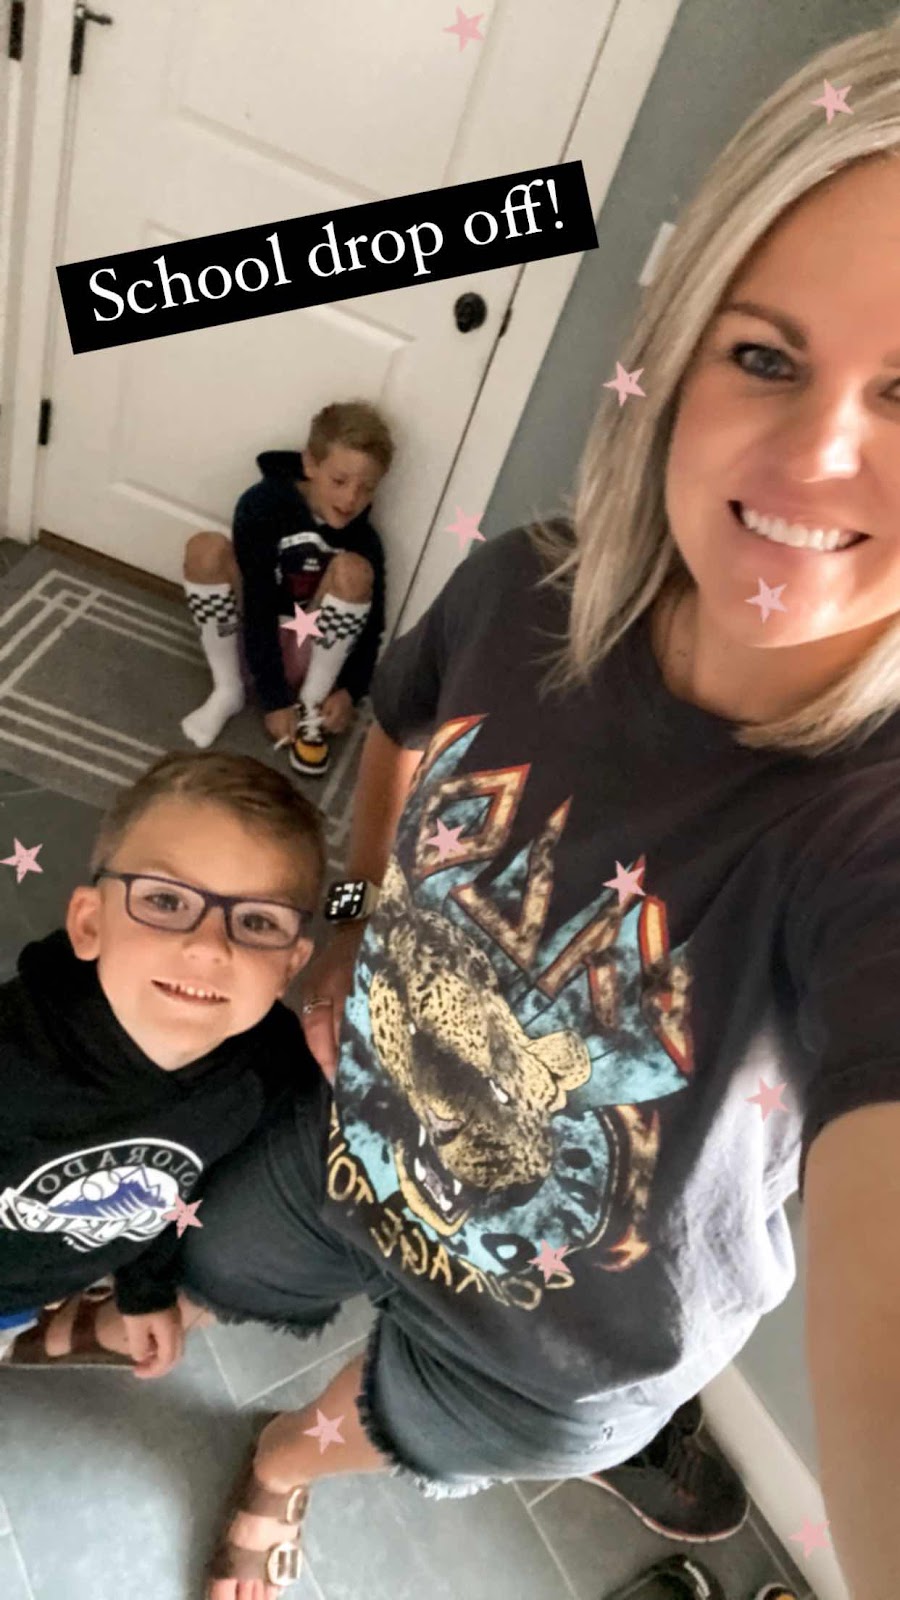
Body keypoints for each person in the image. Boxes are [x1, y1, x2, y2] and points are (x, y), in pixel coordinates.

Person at [169, 16, 900, 1600]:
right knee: (210, 1258)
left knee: (359, 1428)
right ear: (683, 354)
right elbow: (397, 736)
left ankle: (279, 1463)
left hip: (555, 1342)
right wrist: (351, 924)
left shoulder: (874, 835)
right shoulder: (524, 589)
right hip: (356, 1132)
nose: (818, 453)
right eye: (765, 355)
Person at [0, 751, 323, 1375]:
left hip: (53, 1282)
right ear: (89, 923)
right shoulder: (12, 1056)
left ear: (290, 964)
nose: (208, 946)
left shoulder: (269, 1068)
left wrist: (144, 1289)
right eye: (167, 901)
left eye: (257, 920)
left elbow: (174, 1189)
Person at [179, 399, 392, 777]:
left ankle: (310, 706)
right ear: (310, 464)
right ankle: (227, 689)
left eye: (366, 489)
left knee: (355, 571)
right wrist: (274, 699)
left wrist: (349, 690)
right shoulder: (263, 504)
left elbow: (373, 626)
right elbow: (258, 601)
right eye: (339, 481)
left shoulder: (365, 541)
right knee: (205, 549)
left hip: (307, 654)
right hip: (247, 637)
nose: (350, 500)